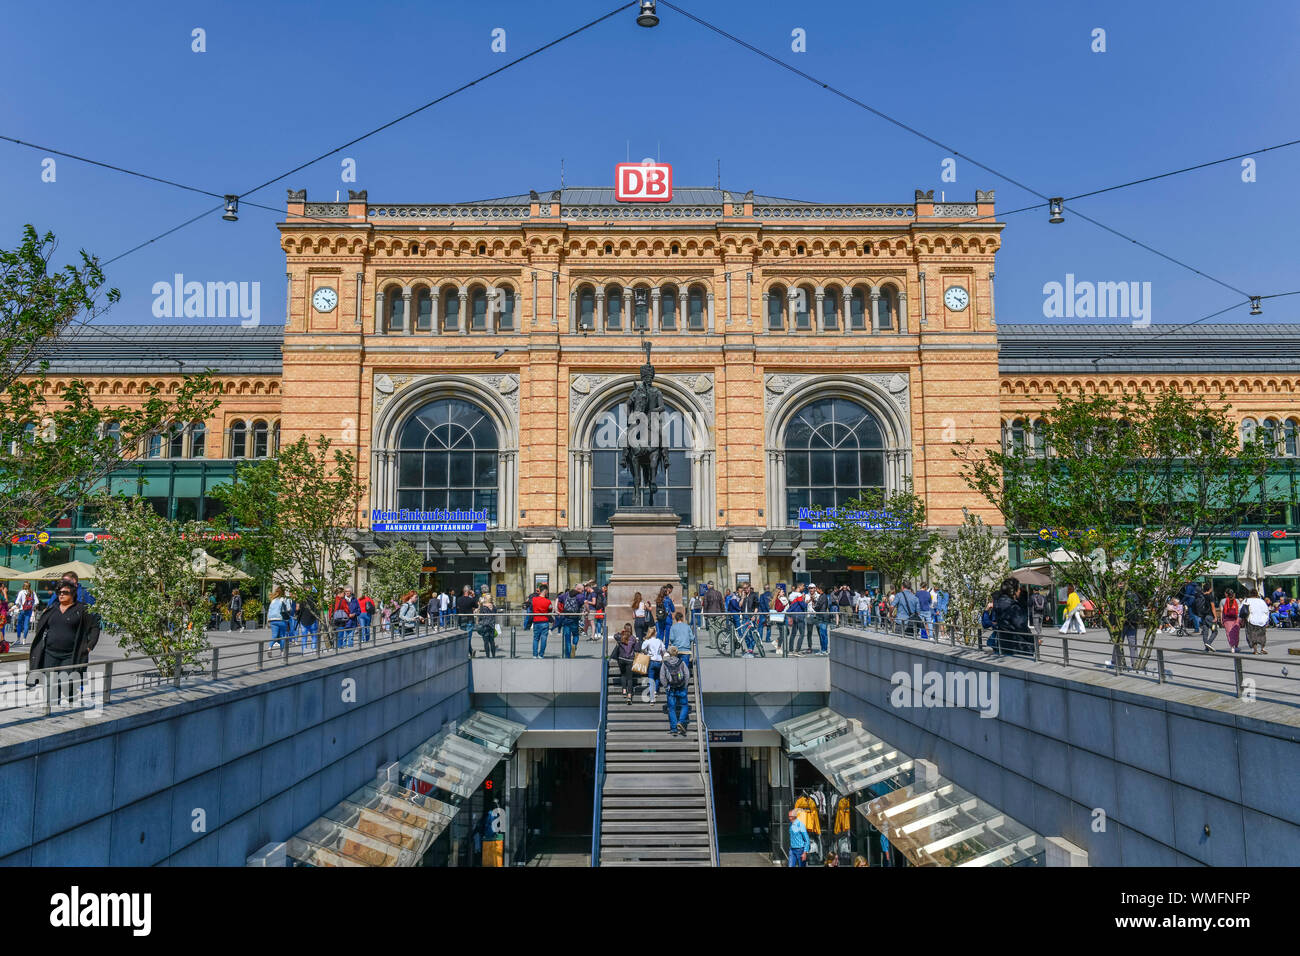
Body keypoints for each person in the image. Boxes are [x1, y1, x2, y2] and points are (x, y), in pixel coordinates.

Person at [27, 580, 100, 705]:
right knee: (50, 684)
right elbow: (41, 626)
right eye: (59, 592)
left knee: (66, 682)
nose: (61, 595)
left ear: (72, 594)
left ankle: (70, 705)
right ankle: (52, 711)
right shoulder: (52, 609)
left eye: (65, 592)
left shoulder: (81, 609)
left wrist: (89, 646)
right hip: (50, 653)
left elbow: (94, 627)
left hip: (71, 654)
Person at [993, 577, 1031, 657]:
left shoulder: (998, 603)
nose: (1020, 590)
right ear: (1013, 591)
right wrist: (1033, 640)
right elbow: (1021, 626)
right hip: (1019, 646)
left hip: (1004, 644)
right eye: (1018, 588)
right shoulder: (1013, 607)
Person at [661, 645, 690, 735]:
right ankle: (680, 722)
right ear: (677, 653)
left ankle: (674, 729)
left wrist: (666, 686)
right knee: (685, 705)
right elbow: (687, 674)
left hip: (671, 688)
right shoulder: (681, 662)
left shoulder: (665, 663)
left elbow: (662, 677)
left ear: (669, 653)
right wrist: (685, 685)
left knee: (672, 709)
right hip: (681, 687)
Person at [612, 624, 641, 705]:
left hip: (621, 659)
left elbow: (615, 635)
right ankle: (629, 696)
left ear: (624, 629)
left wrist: (621, 632)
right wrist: (637, 642)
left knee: (623, 675)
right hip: (630, 660)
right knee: (630, 678)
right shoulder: (633, 638)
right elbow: (637, 649)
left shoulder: (620, 637)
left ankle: (624, 690)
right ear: (631, 630)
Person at [641, 621, 666, 704]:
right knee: (658, 677)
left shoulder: (647, 641)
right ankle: (655, 690)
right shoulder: (659, 641)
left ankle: (652, 699)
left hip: (651, 661)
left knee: (651, 679)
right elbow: (663, 650)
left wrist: (647, 653)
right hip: (659, 661)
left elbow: (642, 648)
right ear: (655, 633)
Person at [1240, 589, 1270, 655]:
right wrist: (1267, 620)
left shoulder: (1246, 600)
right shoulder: (1261, 601)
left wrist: (1241, 619)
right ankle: (1262, 648)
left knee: (1252, 635)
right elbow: (1267, 611)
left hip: (1251, 620)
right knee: (1262, 634)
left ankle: (1255, 650)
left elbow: (1241, 610)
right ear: (1257, 594)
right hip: (1262, 620)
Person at [529, 584, 552, 658]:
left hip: (536, 621)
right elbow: (550, 610)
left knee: (535, 639)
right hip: (544, 621)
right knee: (544, 639)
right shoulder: (548, 601)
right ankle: (541, 655)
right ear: (545, 591)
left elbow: (531, 607)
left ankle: (534, 655)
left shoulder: (534, 599)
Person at [787, 583, 809, 653]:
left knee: (793, 633)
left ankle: (790, 649)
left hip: (793, 615)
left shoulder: (791, 595)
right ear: (799, 587)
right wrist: (806, 601)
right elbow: (803, 606)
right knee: (802, 634)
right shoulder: (799, 595)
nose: (804, 587)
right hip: (799, 615)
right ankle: (797, 649)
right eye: (803, 586)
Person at [1195, 584, 1218, 651]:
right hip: (1210, 616)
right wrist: (1215, 617)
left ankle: (1206, 647)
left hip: (1203, 616)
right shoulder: (1210, 596)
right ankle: (1208, 643)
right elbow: (1213, 607)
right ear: (1210, 589)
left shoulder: (1201, 596)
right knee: (1215, 631)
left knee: (1205, 632)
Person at [476, 594, 498, 659]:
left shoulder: (483, 607)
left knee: (486, 642)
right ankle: (493, 655)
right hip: (492, 626)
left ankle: (487, 656)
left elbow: (480, 616)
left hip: (485, 626)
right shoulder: (494, 607)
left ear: (486, 599)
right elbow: (495, 614)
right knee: (492, 641)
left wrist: (480, 606)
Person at [811, 585, 831, 655]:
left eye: (817, 589)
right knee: (822, 634)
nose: (816, 590)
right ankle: (823, 649)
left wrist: (814, 605)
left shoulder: (823, 596)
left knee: (823, 634)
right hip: (821, 617)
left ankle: (824, 650)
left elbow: (818, 607)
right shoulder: (823, 596)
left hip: (823, 618)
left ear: (820, 589)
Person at [13, 581, 34, 645]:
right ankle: (24, 640)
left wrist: (18, 605)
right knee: (26, 625)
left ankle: (18, 639)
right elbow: (37, 602)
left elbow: (17, 601)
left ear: (23, 586)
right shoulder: (32, 592)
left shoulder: (21, 592)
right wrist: (32, 607)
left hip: (22, 610)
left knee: (19, 624)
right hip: (29, 610)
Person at [1221, 588, 1241, 653]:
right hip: (1235, 618)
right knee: (1236, 633)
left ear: (1226, 594)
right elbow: (1239, 611)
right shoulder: (1237, 600)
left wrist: (1221, 620)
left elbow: (1222, 611)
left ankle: (1232, 647)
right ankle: (1236, 646)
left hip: (1227, 619)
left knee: (1229, 633)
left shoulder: (1223, 601)